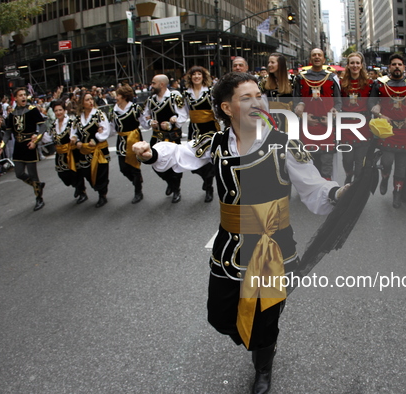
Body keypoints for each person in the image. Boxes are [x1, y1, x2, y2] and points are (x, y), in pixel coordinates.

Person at [133, 72, 346, 394]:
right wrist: (151, 152)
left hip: (274, 247)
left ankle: (263, 365)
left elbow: (314, 187)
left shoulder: (283, 144)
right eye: (246, 98)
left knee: (265, 318)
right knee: (219, 316)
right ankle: (256, 336)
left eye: (258, 95)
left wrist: (338, 194)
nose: (257, 101)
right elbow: (180, 153)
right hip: (228, 247)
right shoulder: (215, 143)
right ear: (227, 108)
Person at [368, 54, 406, 208]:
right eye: (393, 64)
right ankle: (385, 177)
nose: (396, 66)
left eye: (399, 64)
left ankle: (397, 193)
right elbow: (372, 103)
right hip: (388, 130)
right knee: (387, 161)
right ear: (389, 67)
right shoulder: (379, 84)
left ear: (404, 67)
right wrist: (379, 112)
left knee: (401, 166)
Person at [0, 87, 47, 211]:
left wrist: (36, 140)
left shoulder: (32, 110)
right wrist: (2, 146)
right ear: (15, 98)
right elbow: (7, 133)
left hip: (30, 144)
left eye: (24, 95)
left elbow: (43, 126)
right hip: (18, 145)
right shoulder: (11, 115)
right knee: (19, 173)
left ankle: (39, 198)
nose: (23, 97)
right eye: (20, 95)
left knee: (33, 174)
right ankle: (37, 186)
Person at [293, 48, 342, 180]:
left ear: (324, 59)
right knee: (309, 164)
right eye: (314, 54)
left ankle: (326, 195)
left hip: (327, 127)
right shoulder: (300, 78)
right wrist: (304, 117)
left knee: (327, 164)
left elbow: (339, 102)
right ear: (310, 58)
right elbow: (295, 103)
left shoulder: (332, 78)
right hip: (307, 127)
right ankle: (311, 195)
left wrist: (333, 115)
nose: (316, 57)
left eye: (319, 55)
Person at [144, 74, 188, 203]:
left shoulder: (175, 97)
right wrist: (150, 122)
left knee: (174, 165)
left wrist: (172, 123)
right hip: (156, 137)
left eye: (153, 83)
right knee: (154, 163)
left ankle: (176, 189)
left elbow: (183, 116)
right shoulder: (151, 100)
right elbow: (145, 116)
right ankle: (169, 182)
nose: (151, 86)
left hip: (172, 138)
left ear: (162, 84)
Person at [183, 65, 219, 203]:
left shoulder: (210, 92)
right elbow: (184, 113)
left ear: (203, 77)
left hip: (209, 128)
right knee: (195, 157)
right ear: (190, 77)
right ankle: (206, 178)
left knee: (210, 157)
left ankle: (209, 186)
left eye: (199, 74)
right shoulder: (186, 94)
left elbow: (217, 109)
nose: (196, 76)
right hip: (195, 130)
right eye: (194, 74)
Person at [71, 91, 111, 208]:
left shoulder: (99, 114)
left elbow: (105, 130)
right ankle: (98, 187)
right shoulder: (78, 118)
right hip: (84, 150)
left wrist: (96, 138)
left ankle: (102, 194)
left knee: (100, 172)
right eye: (87, 100)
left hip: (98, 150)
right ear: (82, 103)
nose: (90, 102)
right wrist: (76, 140)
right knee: (87, 172)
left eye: (91, 99)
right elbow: (74, 132)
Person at [339, 52, 373, 184]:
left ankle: (355, 189)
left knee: (360, 161)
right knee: (347, 159)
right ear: (348, 65)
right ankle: (348, 174)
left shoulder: (370, 83)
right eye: (352, 63)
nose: (355, 65)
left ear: (361, 65)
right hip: (346, 125)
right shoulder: (341, 83)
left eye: (357, 63)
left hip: (363, 126)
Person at [110, 84, 148, 204]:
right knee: (123, 168)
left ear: (124, 97)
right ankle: (136, 180)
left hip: (134, 139)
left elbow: (144, 123)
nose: (116, 97)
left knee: (134, 167)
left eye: (118, 95)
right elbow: (111, 129)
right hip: (121, 141)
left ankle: (138, 191)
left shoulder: (135, 108)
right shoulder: (114, 111)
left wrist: (149, 121)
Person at [48, 100, 86, 203]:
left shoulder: (71, 122)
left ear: (64, 111)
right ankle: (76, 186)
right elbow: (49, 138)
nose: (58, 112)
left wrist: (74, 138)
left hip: (71, 152)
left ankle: (82, 191)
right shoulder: (53, 125)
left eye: (60, 110)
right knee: (63, 174)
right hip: (60, 154)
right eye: (56, 111)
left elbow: (76, 133)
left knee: (76, 172)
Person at [259, 53, 294, 133]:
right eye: (269, 62)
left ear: (281, 64)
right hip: (270, 121)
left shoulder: (292, 81)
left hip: (287, 121)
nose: (269, 65)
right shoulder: (264, 82)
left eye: (272, 62)